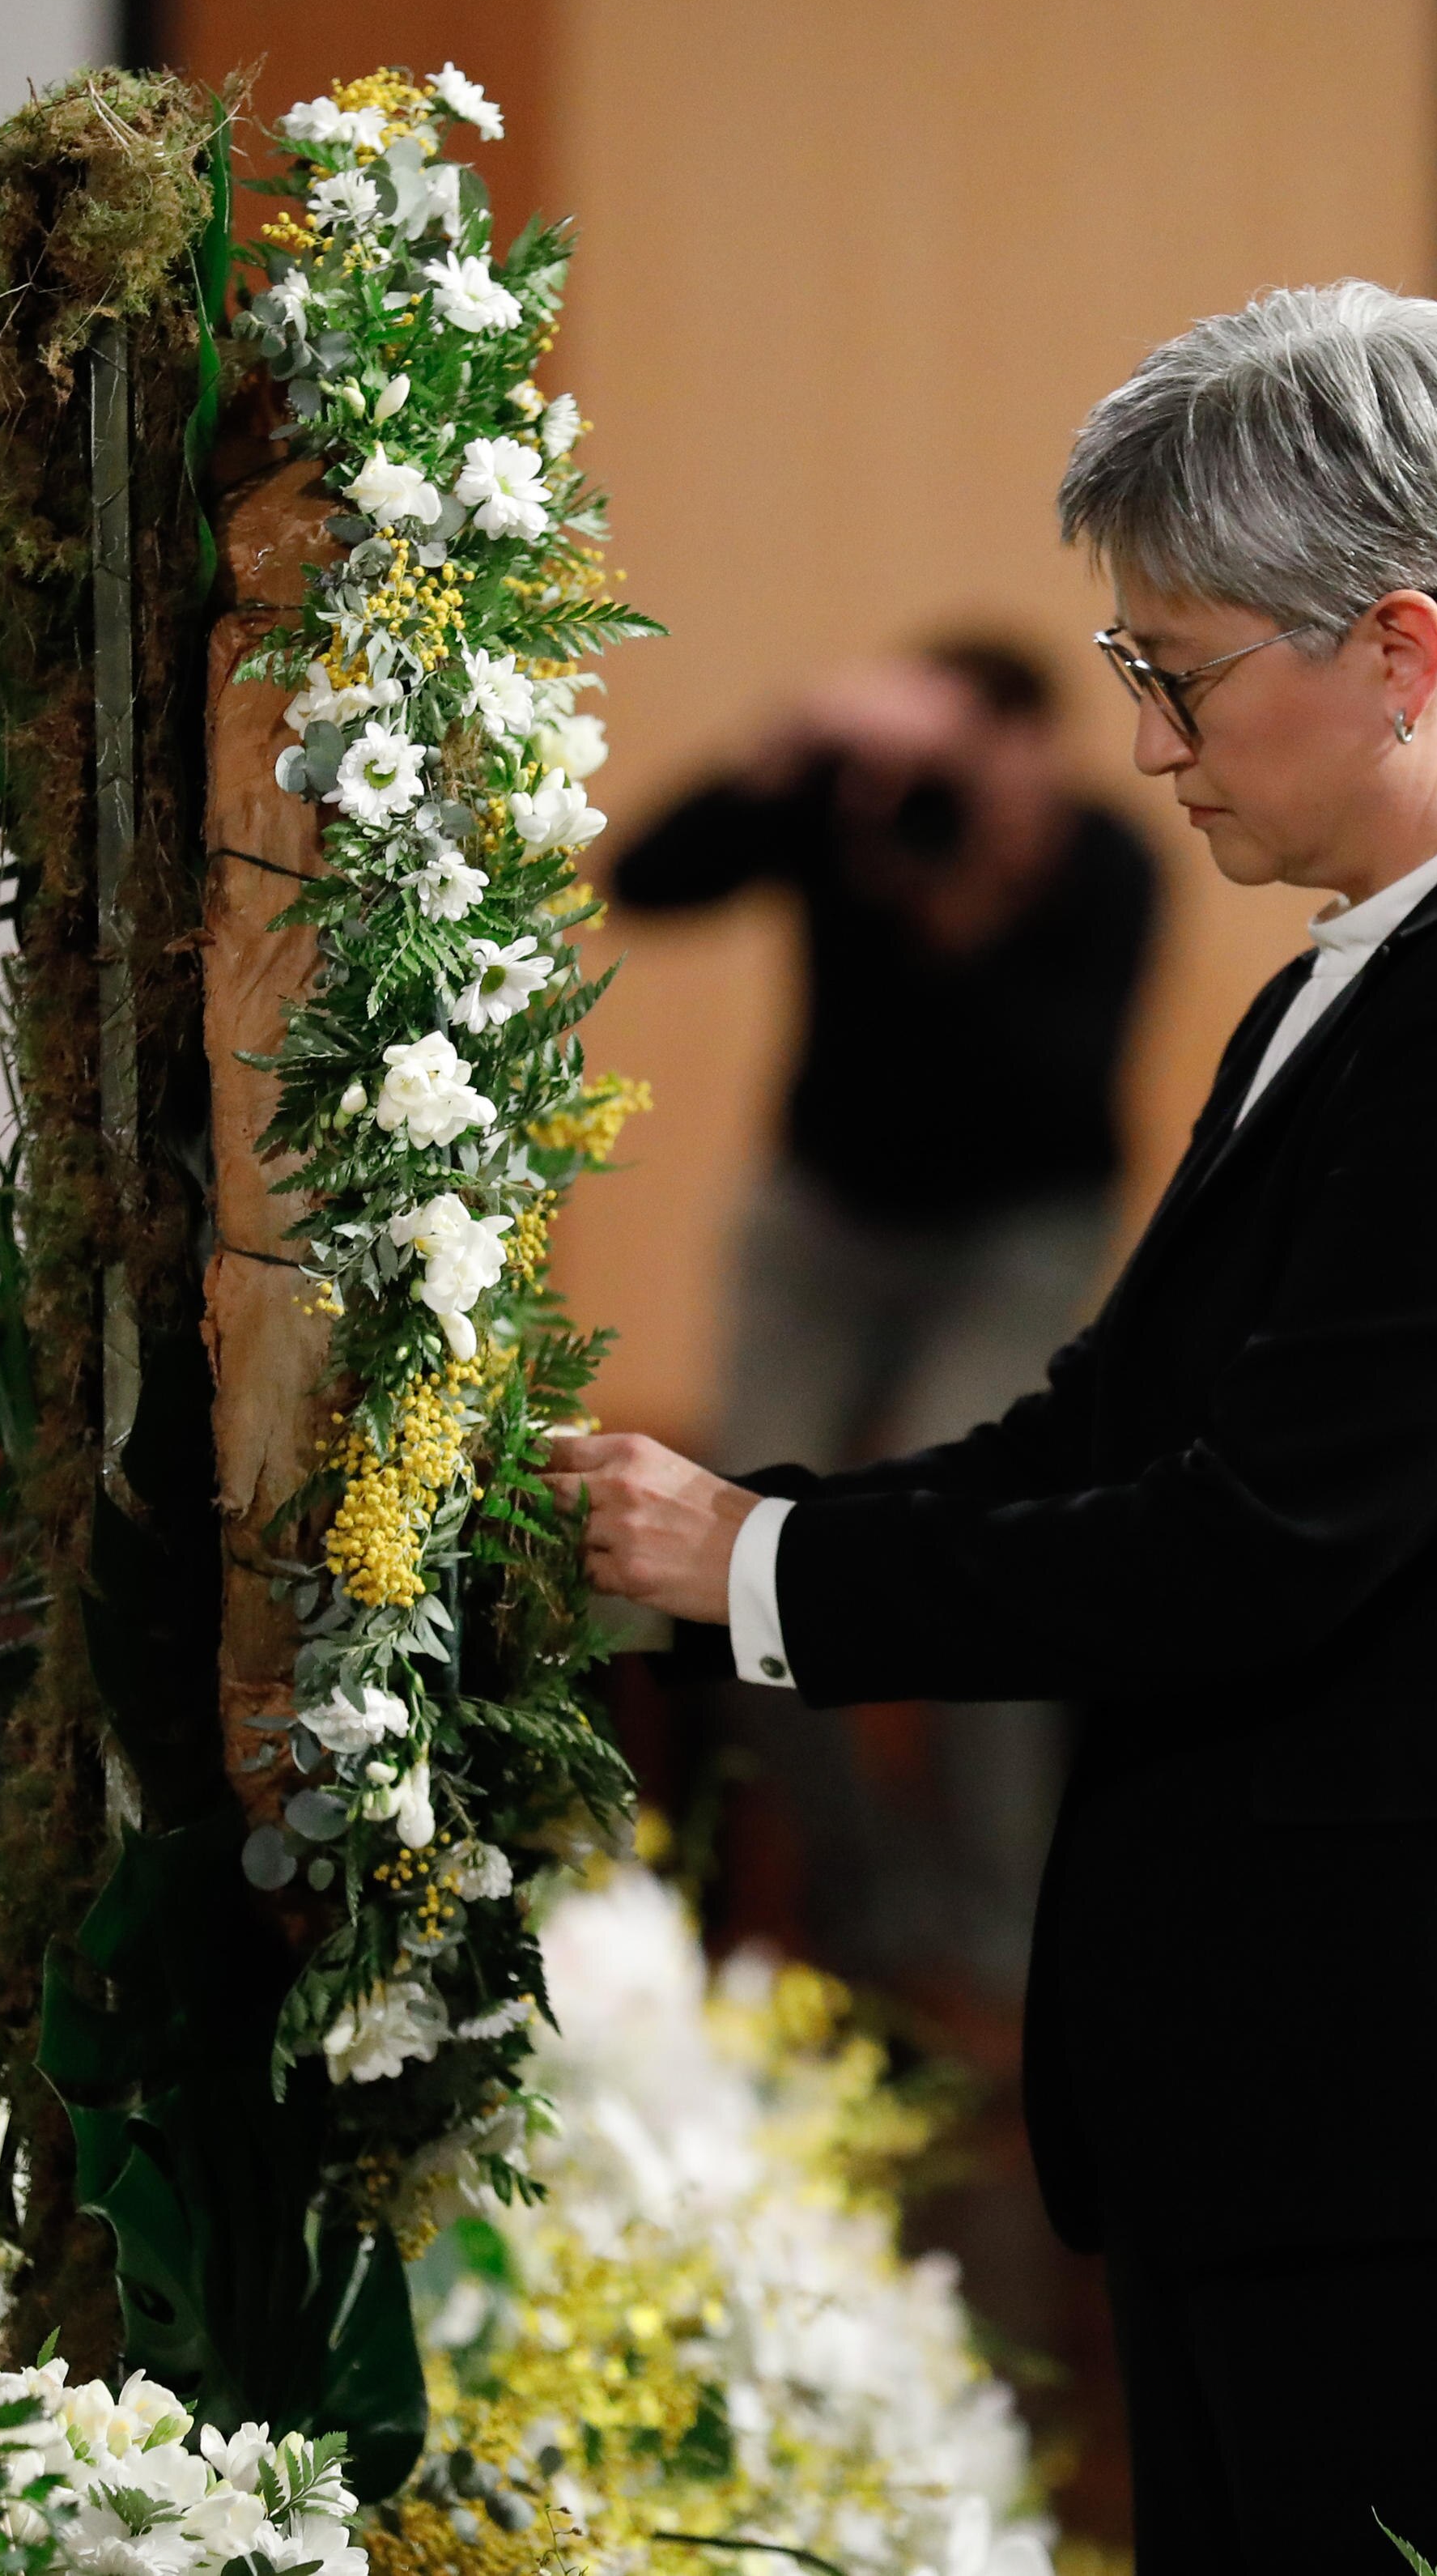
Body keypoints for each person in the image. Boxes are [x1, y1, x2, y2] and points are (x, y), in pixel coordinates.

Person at [548, 281, 1437, 2576]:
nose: (1143, 741)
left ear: (1399, 648)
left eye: (1178, 670)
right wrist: (725, 1535)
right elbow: (1103, 1420)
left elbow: (1260, 1536)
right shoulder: (1377, 957)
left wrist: (759, 1567)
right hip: (1326, 2102)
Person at [609, 637, 1156, 2000]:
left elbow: (1052, 1078)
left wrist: (968, 892)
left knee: (975, 1537)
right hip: (825, 1224)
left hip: (1017, 1236)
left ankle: (1005, 1934)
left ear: (1039, 750)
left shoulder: (1100, 862)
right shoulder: (840, 807)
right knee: (741, 1534)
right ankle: (866, 1912)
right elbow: (644, 880)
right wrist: (783, 746)